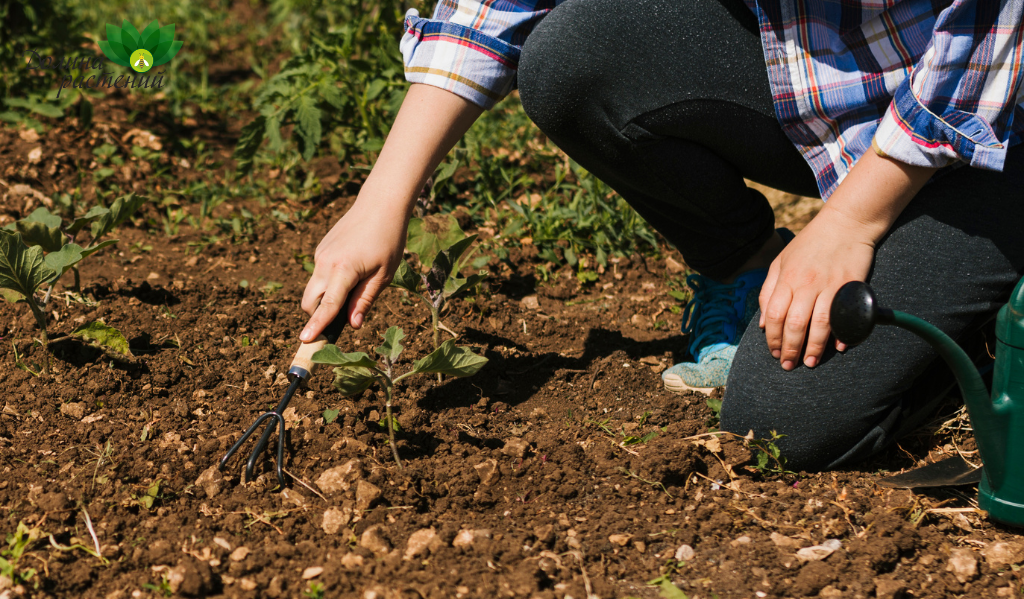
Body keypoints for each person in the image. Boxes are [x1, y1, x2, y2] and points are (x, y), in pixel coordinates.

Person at [299, 0, 1024, 471]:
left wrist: (853, 221)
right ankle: (745, 270)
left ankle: (982, 325)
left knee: (784, 425)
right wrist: (382, 199)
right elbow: (498, 7)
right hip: (840, 89)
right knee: (574, 58)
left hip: (995, 129)